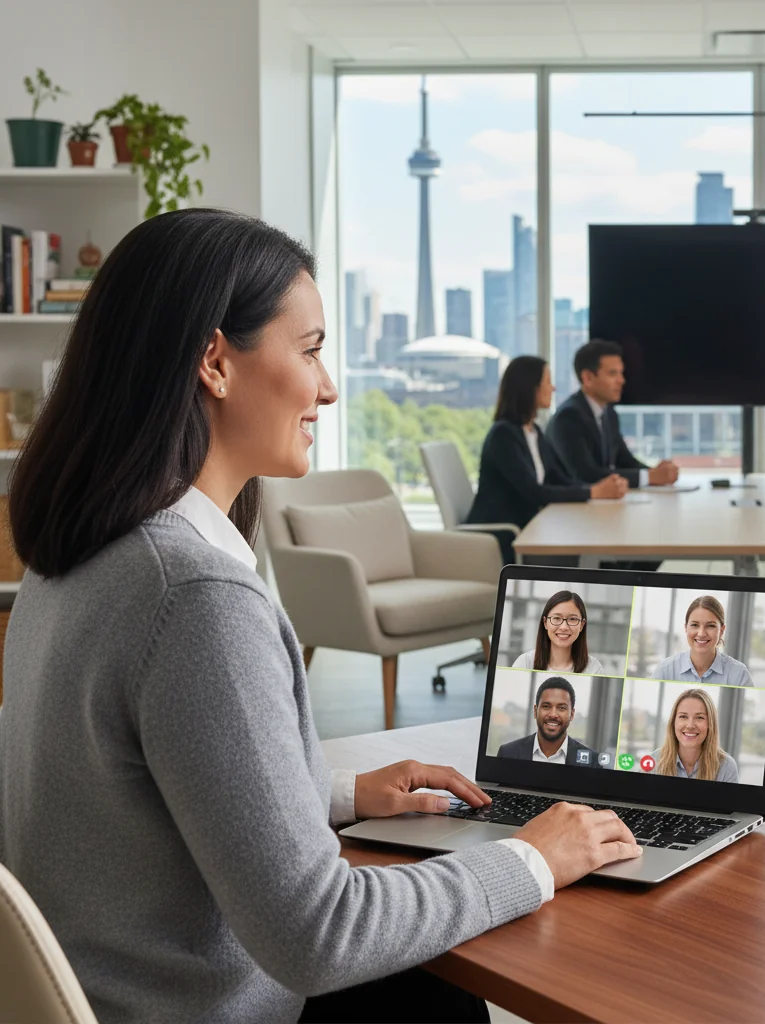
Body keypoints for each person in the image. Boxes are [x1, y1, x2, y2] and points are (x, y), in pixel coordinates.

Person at [0, 210, 641, 1024]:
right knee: (451, 978)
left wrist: (330, 793)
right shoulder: (194, 597)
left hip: (113, 993)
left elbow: (120, 798)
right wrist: (533, 859)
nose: (329, 385)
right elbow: (320, 935)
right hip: (202, 1008)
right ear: (214, 362)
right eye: (309, 349)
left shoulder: (76, 557)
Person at [466, 355, 627, 565]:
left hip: (531, 527)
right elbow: (533, 491)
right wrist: (592, 492)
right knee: (580, 551)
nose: (553, 389)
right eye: (547, 382)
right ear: (530, 388)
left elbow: (557, 478)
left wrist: (599, 489)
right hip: (507, 536)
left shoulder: (533, 432)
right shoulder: (503, 435)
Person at [547, 339, 678, 489]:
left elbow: (625, 460)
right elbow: (586, 475)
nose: (621, 381)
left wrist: (656, 472)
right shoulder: (569, 417)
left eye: (621, 373)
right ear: (588, 378)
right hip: (565, 510)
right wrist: (648, 477)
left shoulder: (609, 413)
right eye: (612, 374)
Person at [497, 678, 602, 767]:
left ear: (572, 714)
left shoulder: (593, 761)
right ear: (535, 711)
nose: (553, 714)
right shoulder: (507, 753)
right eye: (546, 706)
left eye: (561, 708)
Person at [652, 596, 754, 687]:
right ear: (686, 628)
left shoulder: (739, 674)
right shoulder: (665, 670)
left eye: (710, 626)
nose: (701, 633)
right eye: (695, 625)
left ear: (721, 630)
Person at [653, 689, 740, 783]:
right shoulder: (653, 761)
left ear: (710, 724)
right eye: (683, 716)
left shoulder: (726, 767)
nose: (690, 725)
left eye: (699, 717)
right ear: (673, 722)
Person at [511, 590, 604, 674]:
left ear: (582, 625)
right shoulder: (525, 663)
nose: (564, 627)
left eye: (572, 619)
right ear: (545, 622)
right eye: (556, 618)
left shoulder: (594, 669)